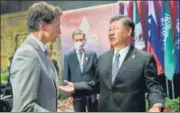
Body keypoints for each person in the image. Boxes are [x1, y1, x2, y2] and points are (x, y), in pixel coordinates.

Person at [59, 15, 165, 112]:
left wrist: (156, 105)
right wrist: (76, 87)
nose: (111, 33)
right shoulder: (102, 58)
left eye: (115, 29)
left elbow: (154, 87)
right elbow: (97, 84)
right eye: (109, 29)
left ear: (128, 31)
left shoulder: (144, 59)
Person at [10, 2, 62, 112]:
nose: (60, 31)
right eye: (57, 26)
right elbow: (24, 107)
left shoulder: (41, 52)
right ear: (43, 26)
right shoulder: (28, 54)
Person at [62, 29, 98, 112]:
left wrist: (98, 91)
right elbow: (66, 75)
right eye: (76, 40)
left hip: (91, 92)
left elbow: (97, 74)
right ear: (73, 40)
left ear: (85, 40)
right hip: (76, 92)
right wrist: (68, 95)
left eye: (81, 40)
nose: (79, 42)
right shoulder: (68, 55)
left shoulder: (92, 54)